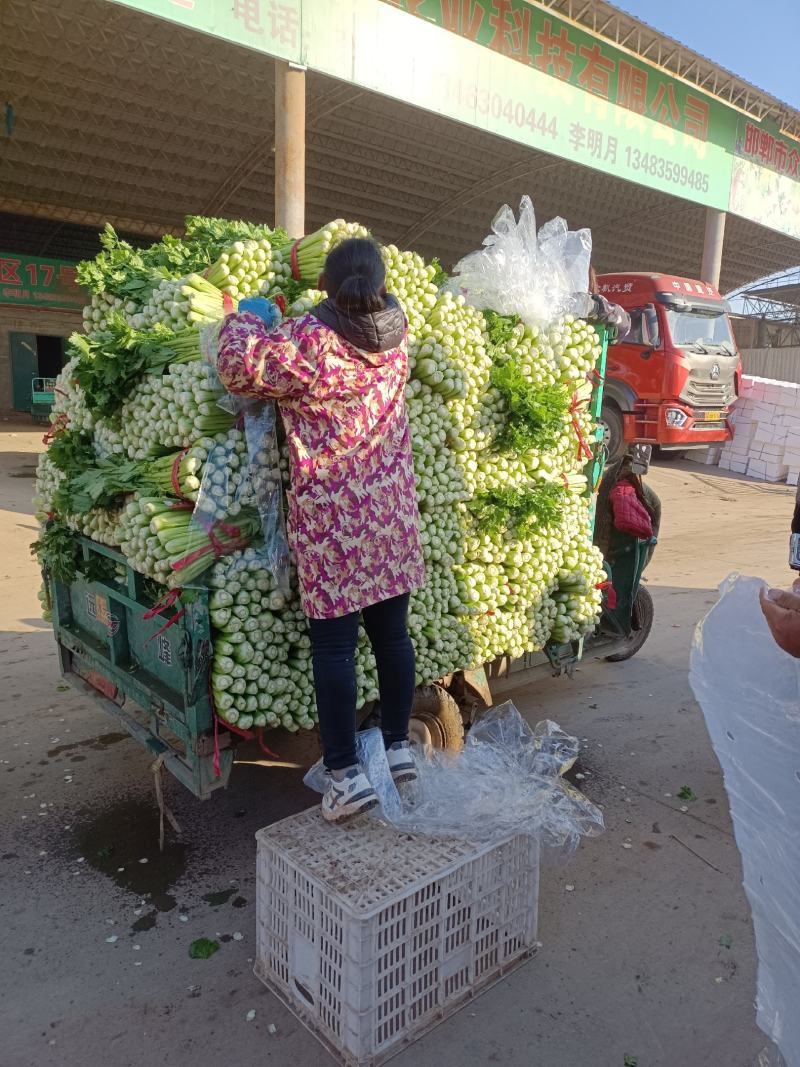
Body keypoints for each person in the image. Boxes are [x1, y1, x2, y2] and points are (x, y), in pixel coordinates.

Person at [215, 238, 426, 823]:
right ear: (380, 286)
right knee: (392, 638)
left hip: (336, 523)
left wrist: (242, 319)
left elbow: (239, 369)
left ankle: (344, 776)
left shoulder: (312, 341)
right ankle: (398, 748)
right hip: (390, 517)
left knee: (334, 647)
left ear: (327, 288)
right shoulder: (398, 335)